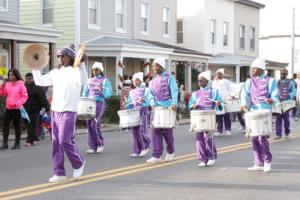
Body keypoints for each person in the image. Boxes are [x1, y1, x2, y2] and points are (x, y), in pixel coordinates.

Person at [32, 44, 88, 182]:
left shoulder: (75, 71)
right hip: (55, 110)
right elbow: (39, 81)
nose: (60, 58)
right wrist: (35, 65)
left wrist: (81, 64)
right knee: (56, 142)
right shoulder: (55, 73)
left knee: (64, 139)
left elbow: (83, 81)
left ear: (70, 57)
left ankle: (79, 162)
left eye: (63, 55)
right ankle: (59, 172)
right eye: (58, 55)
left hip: (69, 110)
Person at [241, 57, 279, 173]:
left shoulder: (271, 81)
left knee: (262, 137)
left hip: (265, 112)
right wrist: (243, 105)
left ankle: (267, 161)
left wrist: (272, 100)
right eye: (252, 69)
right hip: (253, 111)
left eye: (254, 69)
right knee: (254, 137)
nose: (252, 71)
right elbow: (244, 94)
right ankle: (258, 162)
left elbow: (275, 95)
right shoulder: (249, 81)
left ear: (261, 69)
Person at [147, 57, 179, 164]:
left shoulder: (170, 78)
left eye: (156, 66)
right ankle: (156, 155)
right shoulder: (152, 81)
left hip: (168, 109)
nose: (154, 68)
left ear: (161, 66)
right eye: (153, 66)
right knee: (155, 131)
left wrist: (174, 103)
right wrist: (152, 103)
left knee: (167, 132)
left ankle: (170, 151)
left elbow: (174, 91)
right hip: (156, 109)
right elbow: (150, 94)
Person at [188, 71, 223, 167]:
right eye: (198, 80)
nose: (199, 82)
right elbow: (190, 105)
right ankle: (203, 159)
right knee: (199, 138)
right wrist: (193, 106)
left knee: (208, 137)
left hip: (210, 117)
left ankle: (211, 157)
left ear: (207, 81)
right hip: (199, 117)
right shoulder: (196, 93)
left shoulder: (214, 91)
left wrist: (218, 104)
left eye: (201, 80)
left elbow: (221, 105)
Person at [82, 62, 112, 154]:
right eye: (93, 69)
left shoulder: (105, 81)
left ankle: (100, 144)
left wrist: (102, 90)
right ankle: (92, 146)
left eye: (96, 69)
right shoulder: (89, 80)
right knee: (89, 124)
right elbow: (85, 92)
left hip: (99, 103)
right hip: (89, 104)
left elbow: (109, 94)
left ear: (100, 70)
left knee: (94, 123)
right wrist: (83, 101)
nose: (94, 71)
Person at [0, 69, 28, 150]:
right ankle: (5, 143)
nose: (10, 76)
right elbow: (3, 93)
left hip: (17, 108)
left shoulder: (21, 85)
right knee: (5, 125)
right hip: (8, 107)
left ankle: (17, 143)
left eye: (12, 75)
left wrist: (17, 103)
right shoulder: (8, 84)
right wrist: (2, 87)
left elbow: (24, 96)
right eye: (9, 75)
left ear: (16, 75)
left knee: (16, 126)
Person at [125, 72, 150, 157]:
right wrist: (127, 105)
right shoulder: (132, 91)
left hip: (143, 111)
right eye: (134, 80)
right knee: (135, 131)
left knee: (141, 131)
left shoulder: (146, 90)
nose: (135, 82)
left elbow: (149, 100)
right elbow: (129, 102)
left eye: (137, 80)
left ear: (141, 80)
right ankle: (137, 150)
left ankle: (144, 147)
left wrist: (144, 101)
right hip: (134, 113)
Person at [23, 73, 50, 146]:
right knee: (28, 125)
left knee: (31, 125)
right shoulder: (23, 87)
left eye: (30, 78)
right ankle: (34, 138)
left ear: (33, 79)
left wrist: (46, 107)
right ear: (25, 79)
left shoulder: (37, 88)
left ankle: (29, 141)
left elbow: (43, 99)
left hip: (35, 110)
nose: (28, 80)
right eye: (27, 78)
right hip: (25, 110)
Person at [274, 69, 296, 139]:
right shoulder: (277, 82)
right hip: (278, 103)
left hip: (287, 103)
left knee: (286, 119)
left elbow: (294, 92)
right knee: (278, 119)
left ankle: (287, 133)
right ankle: (278, 134)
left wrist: (289, 95)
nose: (282, 75)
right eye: (281, 73)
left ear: (286, 74)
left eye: (284, 73)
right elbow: (274, 92)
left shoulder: (291, 82)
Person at [212, 68, 233, 136]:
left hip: (225, 101)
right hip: (218, 101)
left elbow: (231, 89)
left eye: (219, 73)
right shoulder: (214, 82)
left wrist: (230, 96)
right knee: (218, 116)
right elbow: (213, 91)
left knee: (227, 116)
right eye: (216, 73)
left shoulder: (226, 81)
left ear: (222, 74)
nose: (217, 75)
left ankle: (228, 129)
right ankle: (219, 131)